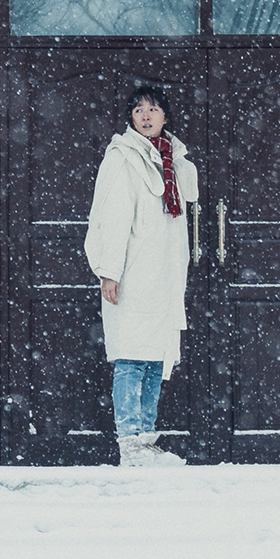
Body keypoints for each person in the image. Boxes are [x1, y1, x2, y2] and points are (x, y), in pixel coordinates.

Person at [84, 83, 197, 468]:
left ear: (165, 116)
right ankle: (129, 442)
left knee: (154, 359)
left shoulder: (170, 158)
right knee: (131, 357)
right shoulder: (123, 158)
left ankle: (145, 439)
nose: (146, 116)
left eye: (153, 109)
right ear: (130, 118)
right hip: (133, 274)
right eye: (138, 110)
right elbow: (112, 218)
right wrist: (110, 271)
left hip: (161, 277)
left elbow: (181, 211)